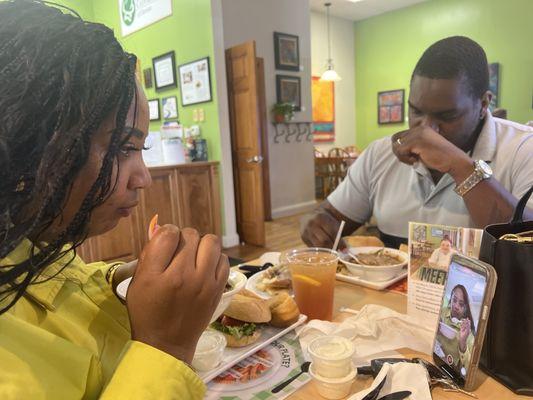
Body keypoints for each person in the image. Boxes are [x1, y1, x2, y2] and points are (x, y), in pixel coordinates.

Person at [0, 1, 229, 398]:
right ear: (28, 146)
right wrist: (166, 346)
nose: (143, 177)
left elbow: (62, 287)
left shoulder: (26, 240)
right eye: (123, 148)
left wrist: (120, 278)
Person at [302, 36, 533, 249]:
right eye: (416, 111)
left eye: (448, 116)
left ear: (484, 104)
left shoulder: (524, 149)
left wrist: (459, 166)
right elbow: (331, 214)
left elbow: (527, 244)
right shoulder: (380, 153)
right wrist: (316, 222)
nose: (426, 130)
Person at [437, 285, 476, 372]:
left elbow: (469, 369)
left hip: (448, 370)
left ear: (466, 308)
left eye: (461, 304)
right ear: (450, 299)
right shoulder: (441, 312)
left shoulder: (468, 334)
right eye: (454, 300)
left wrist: (462, 343)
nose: (456, 306)